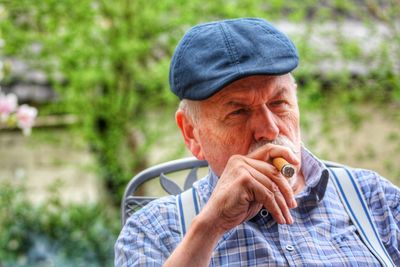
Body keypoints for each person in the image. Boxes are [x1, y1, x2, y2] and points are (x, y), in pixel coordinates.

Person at [115, 18, 400, 266]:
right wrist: (210, 227)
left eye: (279, 103)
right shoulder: (152, 230)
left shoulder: (374, 199)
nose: (268, 128)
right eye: (238, 111)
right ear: (191, 133)